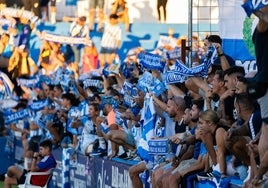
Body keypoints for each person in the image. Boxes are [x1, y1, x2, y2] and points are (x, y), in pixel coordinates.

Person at [242, 2, 268, 186]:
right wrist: (255, 10)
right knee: (267, 129)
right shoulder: (262, 29)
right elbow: (263, 19)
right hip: (266, 84)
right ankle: (262, 175)